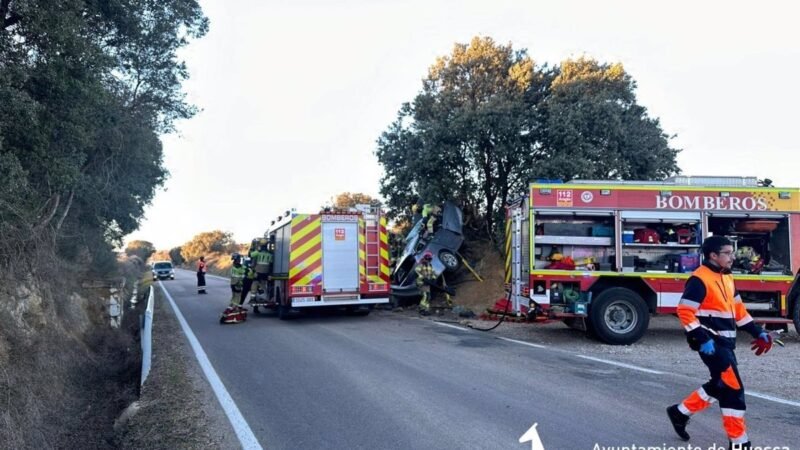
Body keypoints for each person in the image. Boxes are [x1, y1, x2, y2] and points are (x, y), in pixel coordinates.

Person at [666, 236, 773, 449]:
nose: (732, 257)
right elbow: (685, 311)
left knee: (721, 384)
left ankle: (680, 412)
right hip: (711, 344)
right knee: (733, 388)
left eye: (731, 253)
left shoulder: (727, 277)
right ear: (713, 256)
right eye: (727, 253)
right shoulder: (699, 279)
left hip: (726, 342)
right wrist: (702, 338)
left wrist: (757, 331)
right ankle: (739, 442)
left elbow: (738, 311)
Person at [220, 253, 247, 324]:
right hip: (237, 285)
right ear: (237, 260)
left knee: (234, 298)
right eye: (239, 259)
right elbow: (243, 273)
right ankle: (232, 311)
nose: (240, 260)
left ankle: (229, 309)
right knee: (237, 299)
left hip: (233, 285)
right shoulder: (239, 268)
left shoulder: (233, 267)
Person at [415, 251, 436, 315]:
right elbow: (416, 271)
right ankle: (422, 309)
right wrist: (422, 277)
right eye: (428, 259)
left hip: (427, 284)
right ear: (425, 258)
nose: (429, 260)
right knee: (425, 296)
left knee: (428, 296)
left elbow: (433, 273)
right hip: (422, 283)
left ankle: (426, 309)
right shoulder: (421, 265)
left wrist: (433, 278)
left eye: (430, 259)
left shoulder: (430, 265)